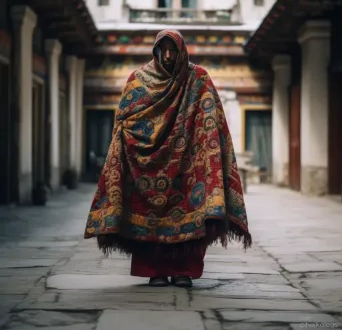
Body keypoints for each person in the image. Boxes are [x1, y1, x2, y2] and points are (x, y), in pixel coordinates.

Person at [84, 29, 252, 287]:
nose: (169, 55)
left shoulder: (198, 79)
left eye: (174, 49)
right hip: (146, 168)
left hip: (187, 165)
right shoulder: (138, 80)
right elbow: (124, 123)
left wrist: (202, 149)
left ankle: (185, 270)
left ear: (182, 51)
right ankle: (155, 271)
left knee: (191, 211)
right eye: (164, 49)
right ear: (156, 51)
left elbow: (210, 120)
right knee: (147, 215)